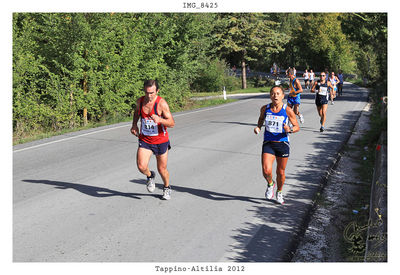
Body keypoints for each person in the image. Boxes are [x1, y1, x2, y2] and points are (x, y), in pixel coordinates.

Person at [254, 85, 300, 204]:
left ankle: (279, 192)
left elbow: (297, 127)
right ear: (270, 95)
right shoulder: (265, 108)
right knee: (266, 170)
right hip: (268, 143)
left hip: (282, 143)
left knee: (280, 172)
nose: (275, 96)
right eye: (273, 93)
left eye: (278, 93)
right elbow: (260, 119)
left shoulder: (287, 110)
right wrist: (258, 127)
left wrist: (289, 129)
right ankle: (270, 184)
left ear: (283, 96)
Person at [131, 80, 175, 200]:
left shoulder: (162, 104)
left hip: (161, 141)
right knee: (141, 166)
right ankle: (150, 176)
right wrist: (134, 125)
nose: (149, 96)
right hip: (145, 140)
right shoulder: (140, 101)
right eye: (146, 92)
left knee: (162, 169)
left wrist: (160, 120)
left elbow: (171, 123)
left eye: (151, 93)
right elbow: (136, 113)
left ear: (157, 91)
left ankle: (166, 187)